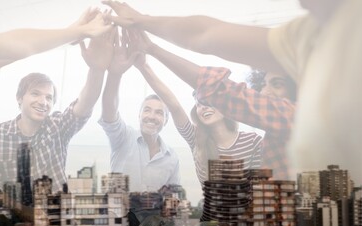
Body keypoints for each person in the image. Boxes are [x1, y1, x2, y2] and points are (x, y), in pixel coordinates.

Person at [103, 0, 362, 177]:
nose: (266, 93)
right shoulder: (199, 140)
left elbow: (225, 91)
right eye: (264, 85)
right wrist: (144, 37)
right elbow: (206, 34)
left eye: (278, 85)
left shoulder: (257, 138)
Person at [128, 30, 294, 179]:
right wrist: (143, 67)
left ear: (224, 106)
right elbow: (174, 105)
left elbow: (261, 184)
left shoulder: (253, 142)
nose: (203, 107)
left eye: (208, 102)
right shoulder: (196, 139)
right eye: (199, 105)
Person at [0, 29, 115, 192]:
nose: (43, 102)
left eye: (49, 97)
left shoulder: (57, 126)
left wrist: (97, 69)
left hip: (58, 215)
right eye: (35, 94)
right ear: (19, 98)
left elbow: (86, 102)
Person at [98, 29, 180, 192]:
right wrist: (115, 74)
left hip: (152, 218)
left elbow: (171, 198)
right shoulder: (123, 137)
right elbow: (109, 111)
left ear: (165, 120)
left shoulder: (172, 157)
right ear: (139, 115)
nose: (152, 116)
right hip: (117, 217)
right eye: (147, 110)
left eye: (159, 112)